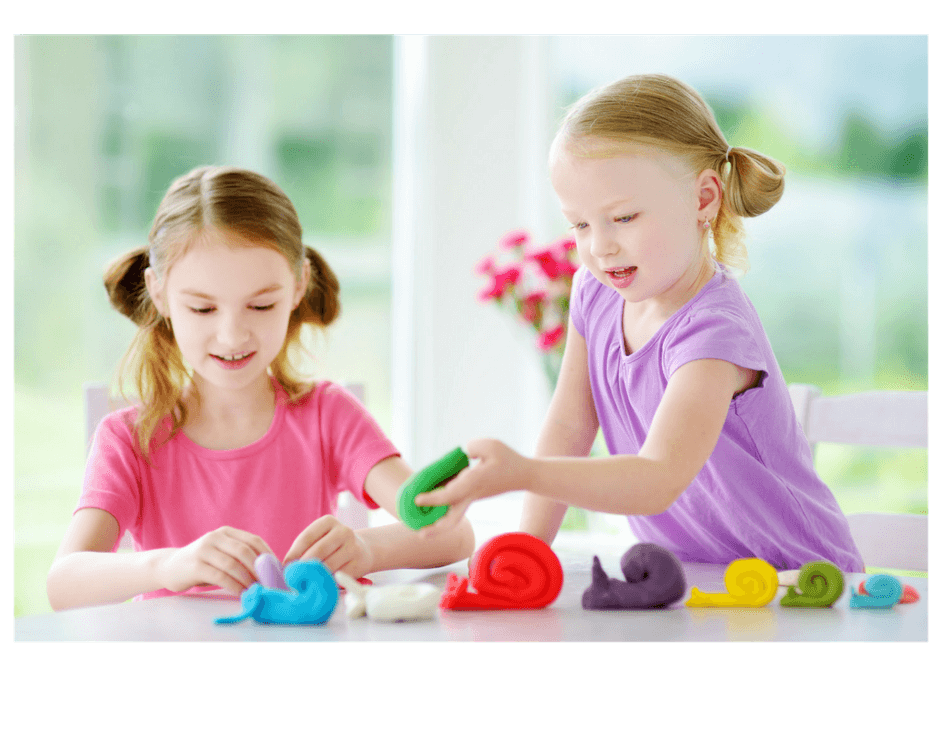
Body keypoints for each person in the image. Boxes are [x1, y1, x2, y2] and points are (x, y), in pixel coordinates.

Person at [417, 74, 864, 574]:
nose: (599, 246)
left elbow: (657, 479)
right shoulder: (596, 294)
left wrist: (523, 473)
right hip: (694, 579)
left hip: (801, 584)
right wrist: (528, 551)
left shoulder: (714, 333)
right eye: (580, 224)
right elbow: (569, 425)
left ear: (704, 199)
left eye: (624, 217)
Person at [47, 166, 474, 611]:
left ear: (298, 286)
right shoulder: (128, 440)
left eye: (261, 305)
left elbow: (454, 532)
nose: (232, 336)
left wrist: (369, 549)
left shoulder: (328, 416)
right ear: (158, 293)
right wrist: (171, 566)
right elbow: (64, 583)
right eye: (203, 308)